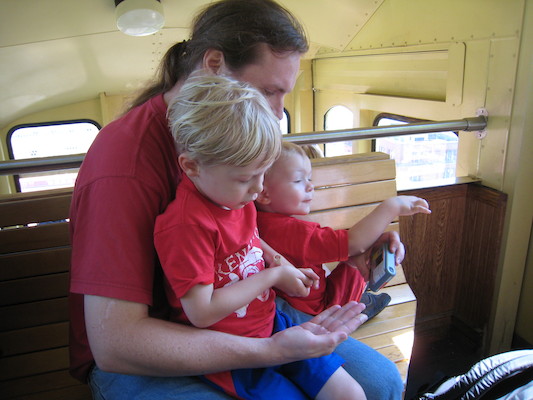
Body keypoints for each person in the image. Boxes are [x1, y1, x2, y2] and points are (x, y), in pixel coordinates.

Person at [68, 0, 405, 398]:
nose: (279, 115)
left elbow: (248, 241)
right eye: (268, 91)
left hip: (246, 314)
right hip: (151, 347)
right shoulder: (125, 165)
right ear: (214, 65)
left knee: (381, 384)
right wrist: (267, 351)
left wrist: (354, 259)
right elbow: (117, 344)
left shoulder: (240, 154)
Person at [155, 74, 367, 400]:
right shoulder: (187, 226)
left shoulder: (235, 198)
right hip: (233, 353)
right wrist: (274, 275)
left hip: (272, 324)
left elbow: (250, 241)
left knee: (350, 395)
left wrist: (281, 264)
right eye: (246, 178)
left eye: (263, 174)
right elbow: (202, 311)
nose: (257, 190)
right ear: (192, 166)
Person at [255, 141, 431, 317]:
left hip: (288, 304)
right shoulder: (293, 232)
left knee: (360, 256)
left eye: (309, 179)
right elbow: (354, 243)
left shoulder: (256, 221)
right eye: (299, 180)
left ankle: (364, 300)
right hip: (321, 311)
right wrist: (392, 206)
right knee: (358, 259)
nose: (310, 186)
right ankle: (362, 306)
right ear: (264, 193)